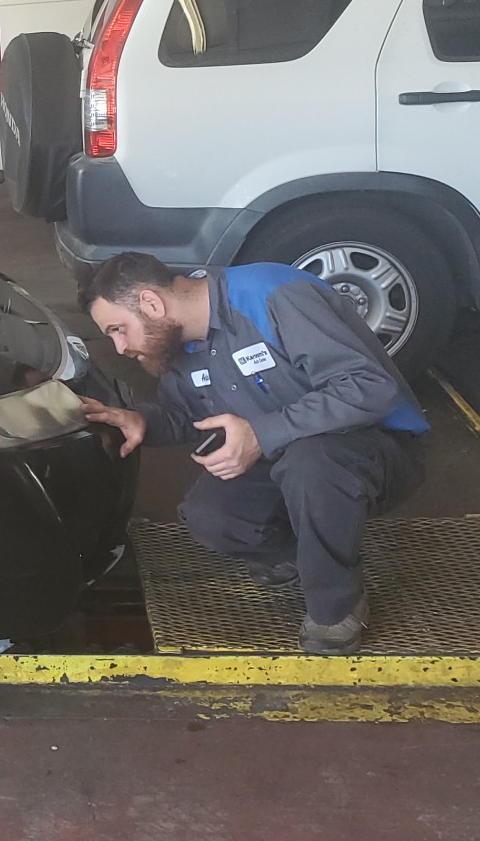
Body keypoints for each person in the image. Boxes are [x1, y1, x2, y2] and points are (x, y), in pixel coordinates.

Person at [75, 252, 429, 654]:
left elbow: (370, 388)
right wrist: (142, 420)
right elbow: (186, 413)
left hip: (373, 446)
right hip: (283, 451)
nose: (119, 347)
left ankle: (336, 606)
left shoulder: (273, 297)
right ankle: (314, 556)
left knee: (310, 465)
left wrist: (261, 433)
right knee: (211, 518)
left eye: (118, 329)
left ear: (151, 303)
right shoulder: (177, 342)